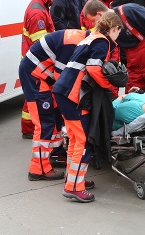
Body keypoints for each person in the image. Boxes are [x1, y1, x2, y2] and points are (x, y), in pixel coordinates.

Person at [19, 0, 110, 182]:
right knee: (44, 122)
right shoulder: (74, 44)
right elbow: (64, 79)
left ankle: (48, 160)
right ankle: (38, 169)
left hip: (41, 76)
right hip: (35, 76)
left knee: (50, 120)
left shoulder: (81, 39)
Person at [53, 11, 123, 203]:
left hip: (64, 91)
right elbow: (93, 68)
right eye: (119, 32)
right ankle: (74, 187)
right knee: (83, 141)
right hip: (74, 95)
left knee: (75, 139)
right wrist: (109, 86)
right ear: (114, 28)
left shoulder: (91, 38)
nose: (118, 36)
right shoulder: (103, 42)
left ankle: (73, 179)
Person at [20, 0, 59, 140]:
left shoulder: (42, 6)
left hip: (34, 62)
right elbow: (40, 44)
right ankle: (30, 128)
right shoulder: (38, 11)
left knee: (32, 95)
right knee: (35, 96)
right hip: (36, 62)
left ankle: (29, 127)